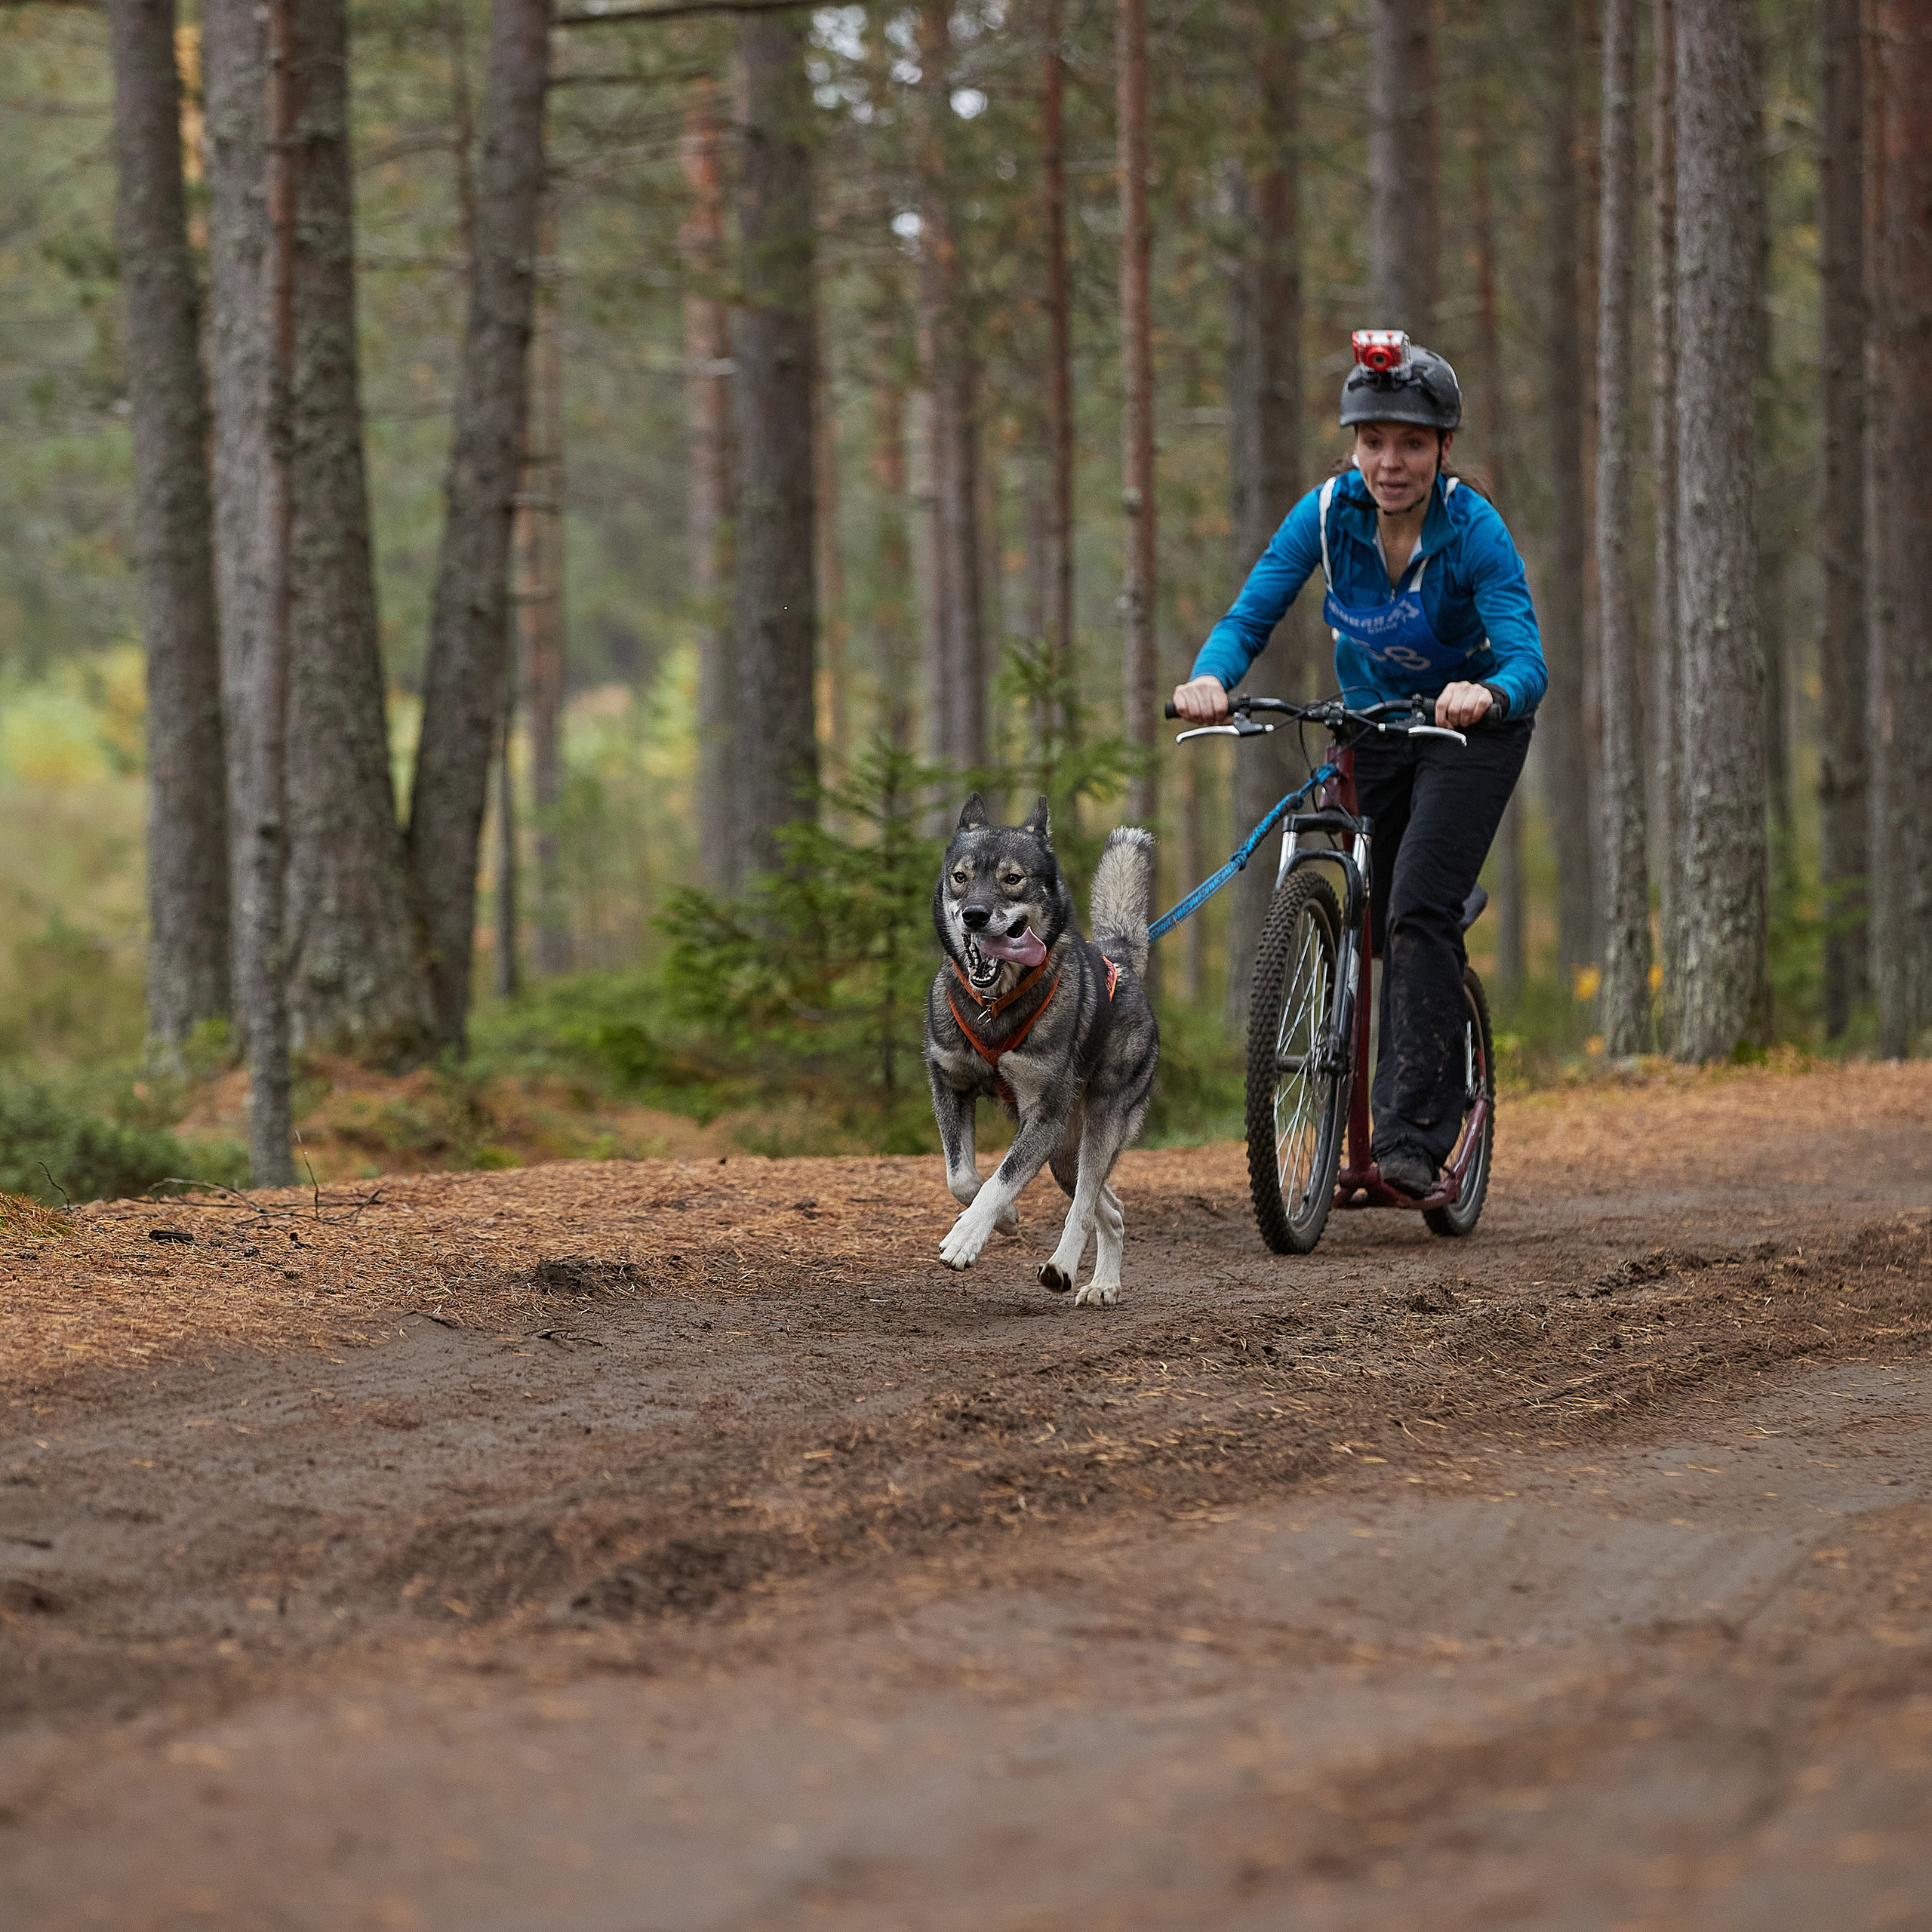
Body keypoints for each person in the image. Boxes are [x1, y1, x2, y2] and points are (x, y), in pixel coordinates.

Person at [1171, 333, 1546, 1200]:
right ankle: (1434, 907)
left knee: (1416, 902)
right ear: (1352, 445)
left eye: (1412, 443)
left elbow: (1528, 660)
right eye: (1373, 441)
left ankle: (1412, 1140)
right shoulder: (1324, 516)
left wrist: (1484, 694)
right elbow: (1250, 614)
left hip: (1468, 733)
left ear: (1443, 449)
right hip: (1370, 725)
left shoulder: (1474, 530)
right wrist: (1209, 678)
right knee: (1378, 914)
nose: (1390, 462)